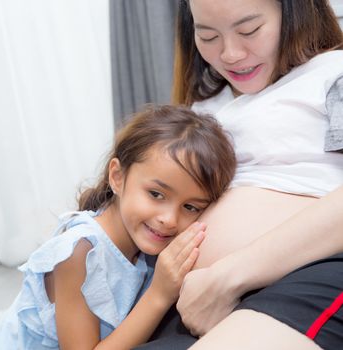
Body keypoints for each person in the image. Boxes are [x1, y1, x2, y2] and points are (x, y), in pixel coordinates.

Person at [137, 0, 343, 349]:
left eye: (249, 31)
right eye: (208, 36)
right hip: (197, 301)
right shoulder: (203, 108)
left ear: (294, 13)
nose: (230, 53)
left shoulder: (331, 74)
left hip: (305, 275)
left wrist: (227, 276)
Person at [0, 105, 236, 349]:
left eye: (190, 207)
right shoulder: (80, 252)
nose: (169, 219)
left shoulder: (145, 246)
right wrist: (159, 294)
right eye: (156, 194)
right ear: (118, 177)